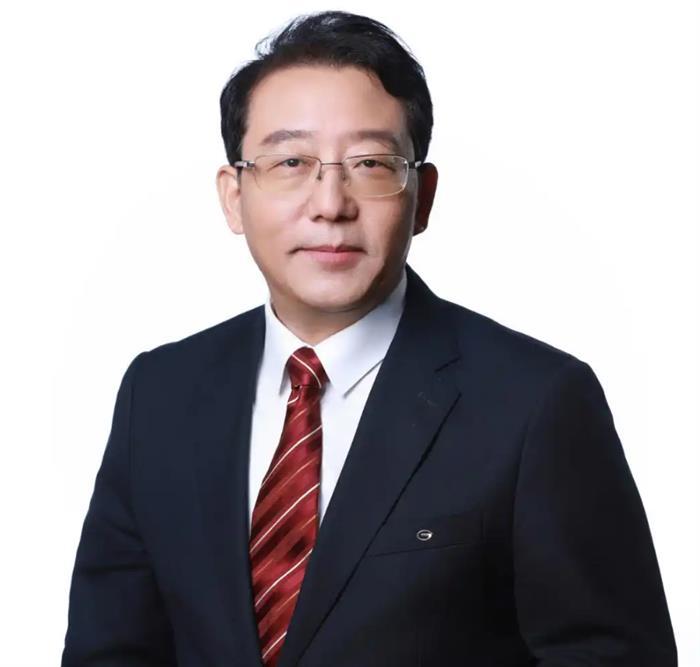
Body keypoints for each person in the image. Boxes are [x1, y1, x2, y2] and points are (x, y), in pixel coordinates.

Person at [61, 10, 677, 667]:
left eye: (371, 163)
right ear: (234, 196)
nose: (330, 203)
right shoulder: (159, 393)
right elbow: (110, 652)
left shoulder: (536, 402)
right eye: (291, 161)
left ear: (423, 196)